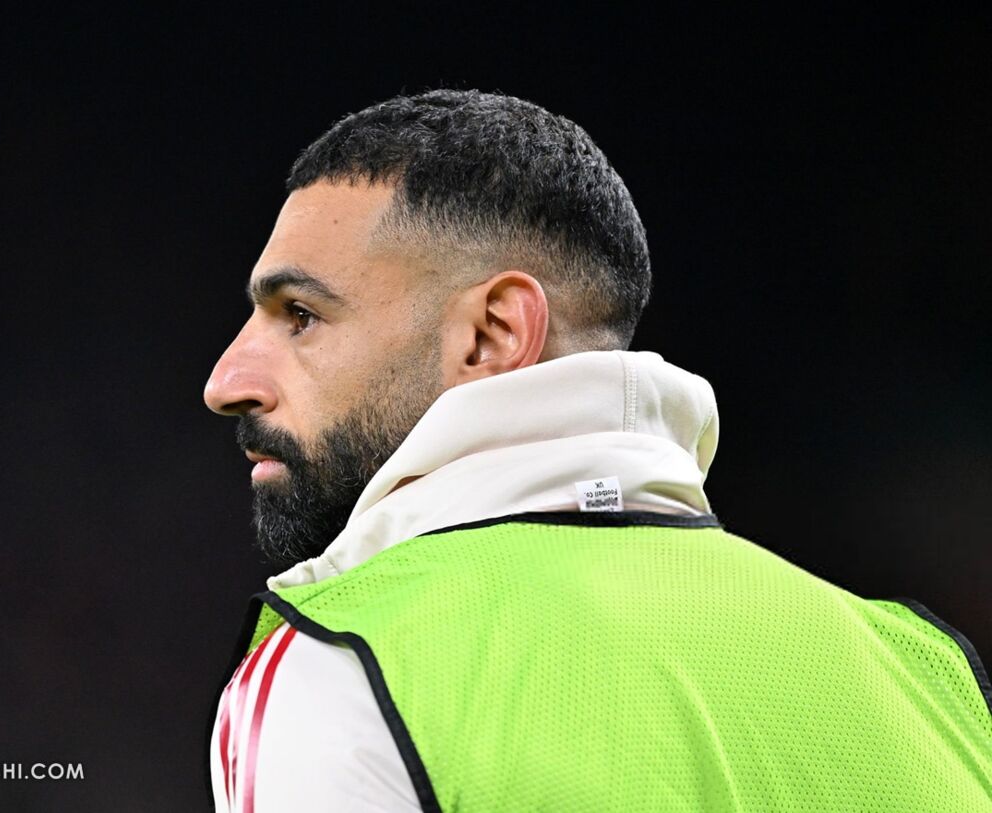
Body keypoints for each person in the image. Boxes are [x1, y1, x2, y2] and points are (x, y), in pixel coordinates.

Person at [202, 90, 991, 812]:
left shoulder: (341, 670)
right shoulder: (925, 677)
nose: (225, 381)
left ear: (493, 334)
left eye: (300, 314)